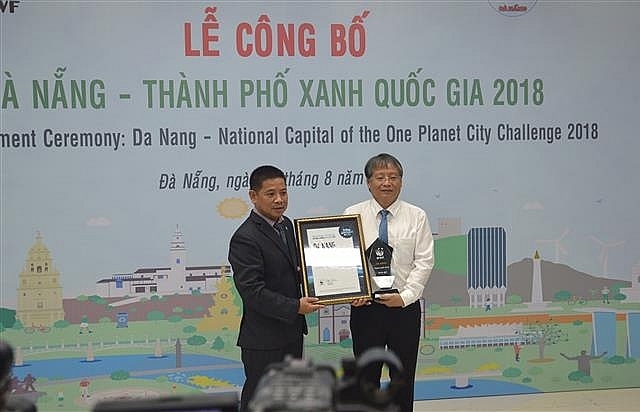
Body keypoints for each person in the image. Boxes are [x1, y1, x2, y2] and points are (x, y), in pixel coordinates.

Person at [228, 165, 324, 411]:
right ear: (253, 196)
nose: (279, 199)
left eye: (283, 192)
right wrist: (295, 307)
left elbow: (292, 270)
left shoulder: (287, 226)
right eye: (271, 194)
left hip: (291, 334)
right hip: (264, 340)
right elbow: (253, 292)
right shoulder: (245, 238)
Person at [344, 153, 434, 412]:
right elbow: (344, 261)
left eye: (393, 177)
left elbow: (424, 261)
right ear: (368, 182)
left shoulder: (417, 216)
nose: (387, 183)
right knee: (366, 378)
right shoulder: (352, 214)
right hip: (366, 308)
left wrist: (405, 297)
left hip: (404, 309)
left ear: (401, 182)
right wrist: (351, 291)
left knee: (402, 379)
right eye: (380, 177)